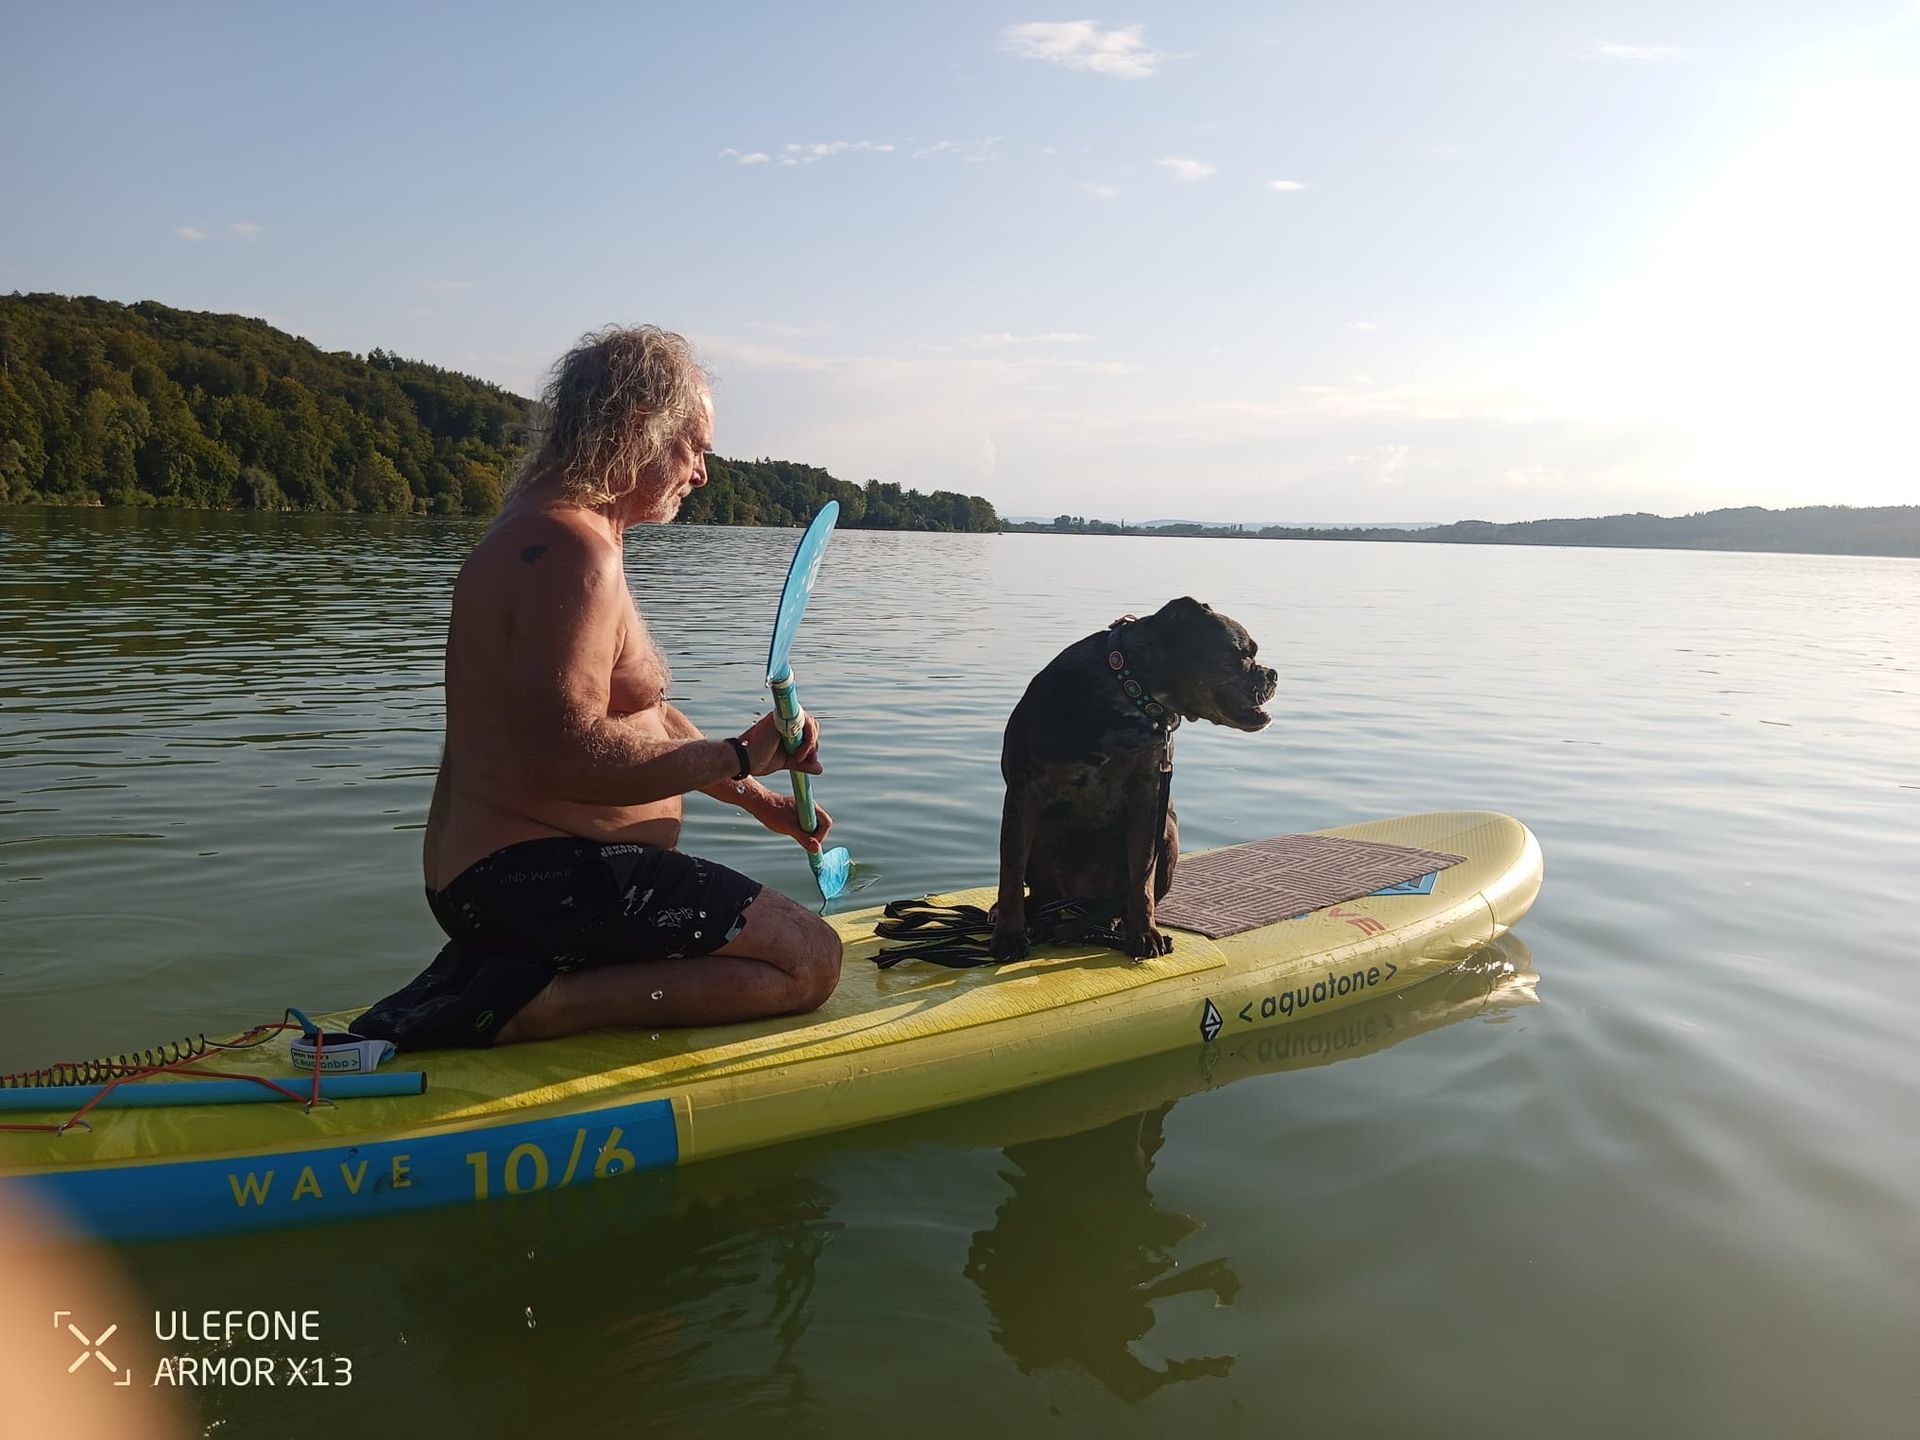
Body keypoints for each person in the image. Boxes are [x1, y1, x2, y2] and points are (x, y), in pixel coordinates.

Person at [360, 325, 842, 1049]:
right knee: (809, 961)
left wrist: (760, 799)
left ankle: (508, 975)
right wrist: (740, 754)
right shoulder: (569, 548)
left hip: (511, 884)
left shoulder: (560, 533)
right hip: (533, 882)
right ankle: (535, 1006)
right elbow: (569, 757)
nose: (701, 474)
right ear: (640, 427)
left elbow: (645, 716)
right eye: (695, 448)